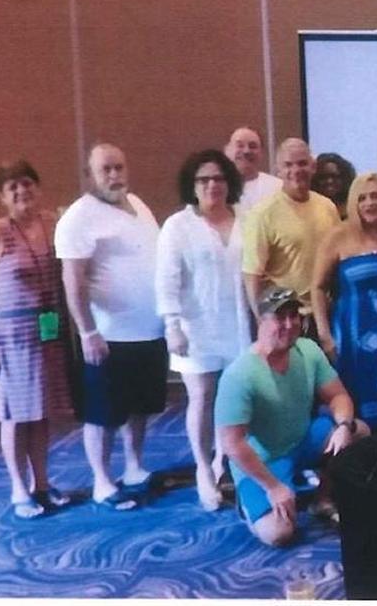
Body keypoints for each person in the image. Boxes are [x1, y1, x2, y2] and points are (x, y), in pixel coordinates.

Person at [55, 143, 166, 510]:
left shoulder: (138, 204)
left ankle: (134, 468)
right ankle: (102, 481)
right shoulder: (79, 217)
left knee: (138, 407)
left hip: (147, 330)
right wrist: (87, 331)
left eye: (119, 167)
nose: (115, 175)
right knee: (102, 414)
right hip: (106, 336)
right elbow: (74, 281)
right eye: (106, 170)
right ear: (90, 176)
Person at [216, 285, 369, 547]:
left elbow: (338, 397)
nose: (289, 324)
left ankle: (322, 499)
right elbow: (233, 444)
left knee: (359, 431)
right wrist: (273, 487)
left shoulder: (308, 350)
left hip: (302, 439)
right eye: (279, 317)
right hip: (263, 460)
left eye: (294, 316)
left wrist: (344, 425)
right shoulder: (239, 376)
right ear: (260, 320)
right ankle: (249, 501)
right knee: (279, 534)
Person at [0, 160, 72, 519]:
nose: (21, 191)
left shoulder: (53, 225)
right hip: (8, 340)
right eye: (12, 187)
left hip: (46, 334)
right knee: (14, 417)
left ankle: (42, 484)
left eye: (26, 183)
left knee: (40, 414)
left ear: (37, 187)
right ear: (2, 197)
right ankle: (18, 489)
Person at [155, 149, 252, 511]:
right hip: (195, 328)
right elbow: (166, 280)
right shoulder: (178, 226)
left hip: (239, 325)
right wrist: (171, 325)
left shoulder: (246, 219)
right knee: (202, 397)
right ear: (192, 186)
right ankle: (203, 470)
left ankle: (228, 464)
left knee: (236, 399)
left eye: (219, 178)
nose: (213, 185)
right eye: (204, 179)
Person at [311, 173, 377, 427]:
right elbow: (317, 287)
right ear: (353, 204)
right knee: (356, 409)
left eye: (376, 196)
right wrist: (325, 336)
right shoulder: (339, 236)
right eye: (362, 198)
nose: (369, 203)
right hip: (353, 341)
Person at [241, 137, 340, 330]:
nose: (296, 171)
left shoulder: (327, 207)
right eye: (288, 165)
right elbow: (251, 276)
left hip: (325, 315)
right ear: (278, 170)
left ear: (313, 166)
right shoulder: (262, 214)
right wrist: (264, 323)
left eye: (302, 163)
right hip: (284, 319)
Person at [225, 126, 282, 213]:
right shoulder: (216, 188)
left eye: (253, 146)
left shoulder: (278, 187)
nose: (246, 151)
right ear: (227, 150)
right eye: (240, 145)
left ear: (261, 153)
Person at [311, 152, 356, 220]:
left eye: (335, 176)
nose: (329, 181)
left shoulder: (355, 210)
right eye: (323, 177)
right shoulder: (310, 210)